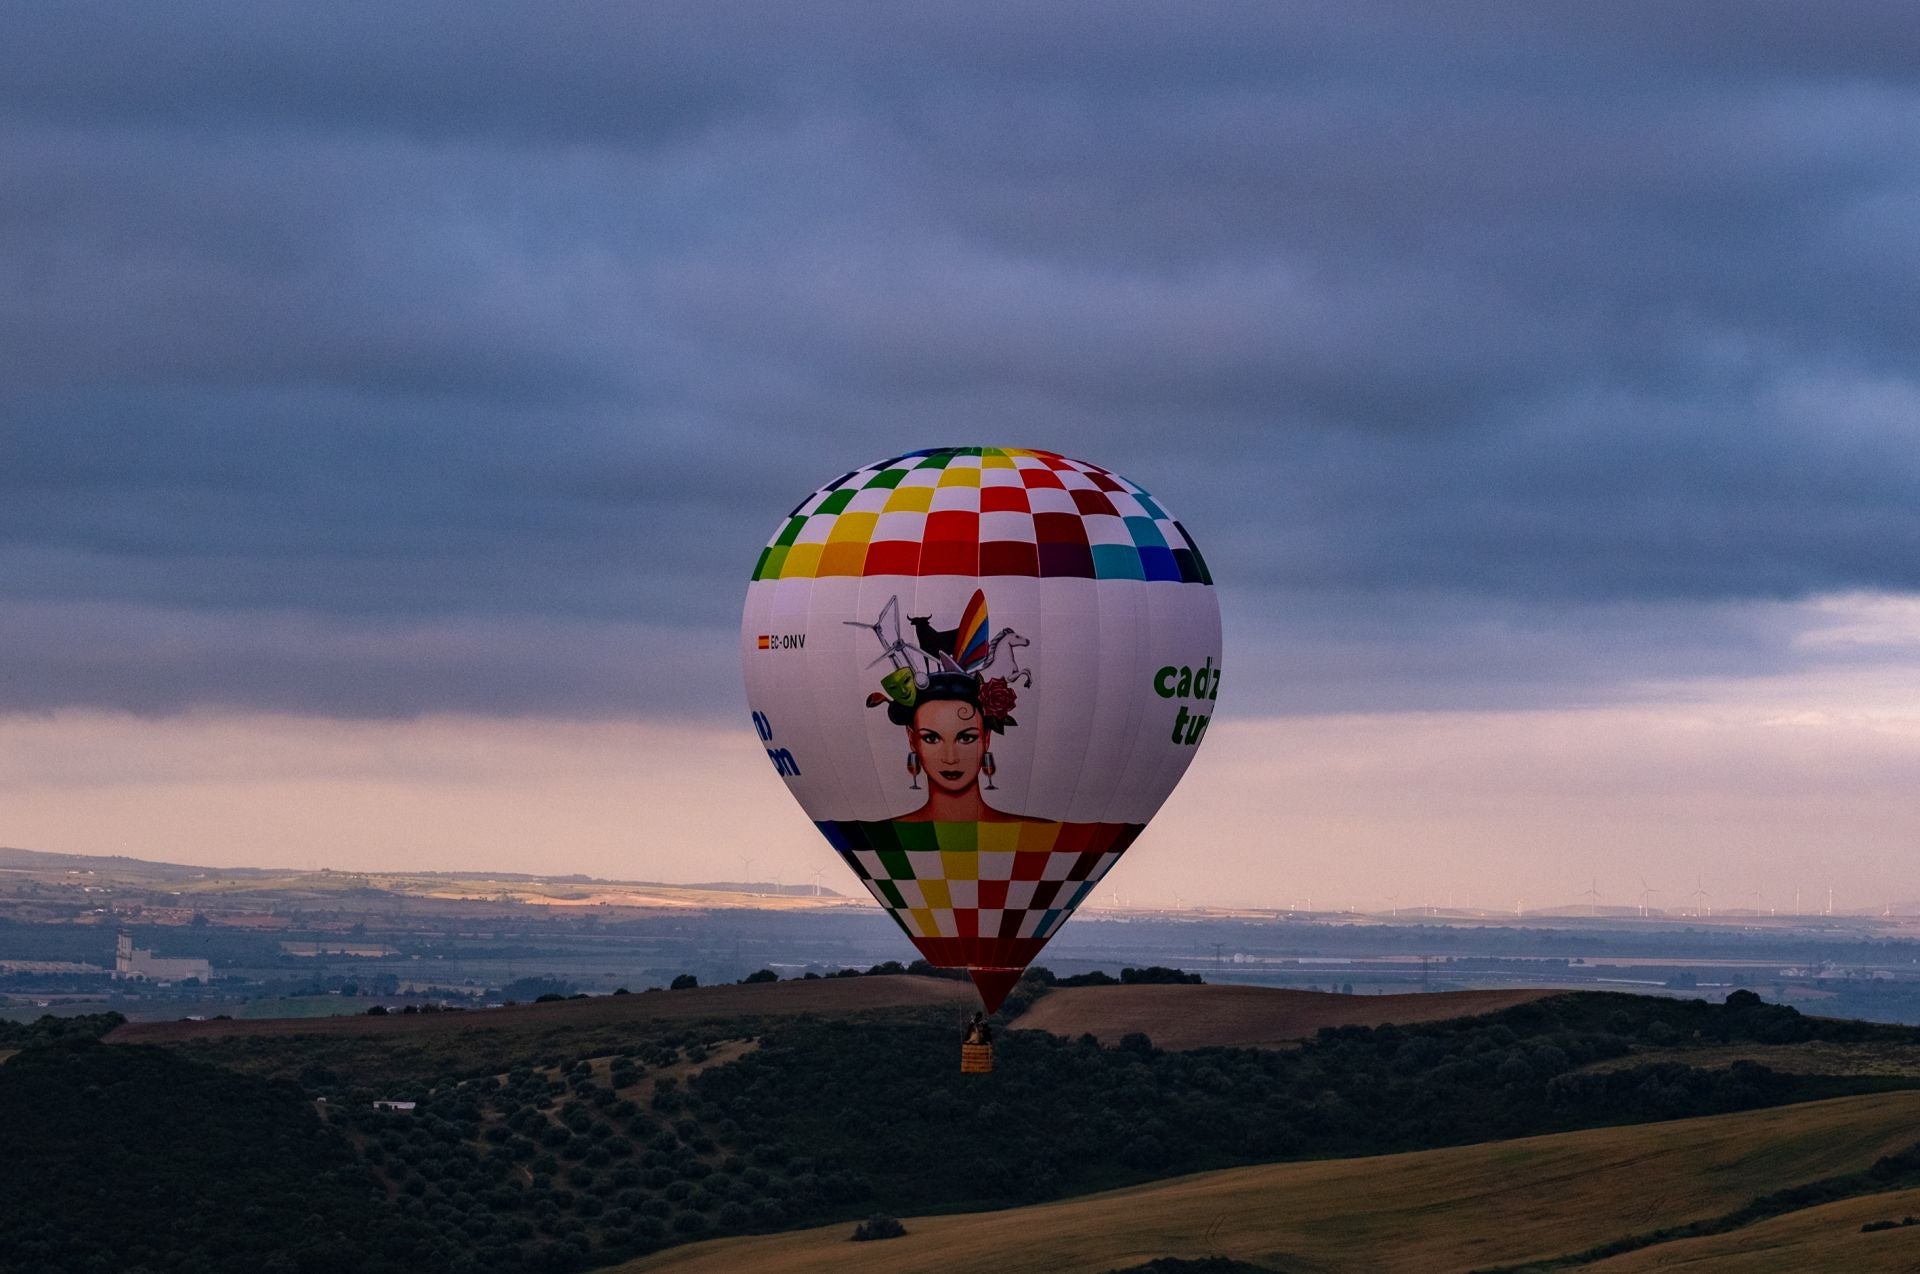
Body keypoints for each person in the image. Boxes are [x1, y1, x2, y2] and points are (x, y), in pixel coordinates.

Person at [887, 673, 1040, 823]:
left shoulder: (1034, 832)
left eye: (966, 738)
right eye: (931, 738)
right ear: (911, 739)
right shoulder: (883, 835)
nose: (950, 758)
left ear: (986, 738)